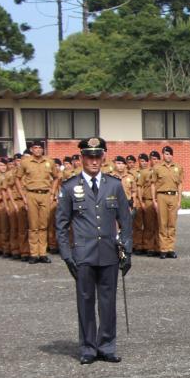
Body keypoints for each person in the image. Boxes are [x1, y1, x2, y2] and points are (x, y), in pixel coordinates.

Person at [56, 137, 133, 365]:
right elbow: (61, 225)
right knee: (86, 301)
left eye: (97, 156)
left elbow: (125, 221)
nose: (93, 161)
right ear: (82, 158)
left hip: (109, 252)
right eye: (89, 157)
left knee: (108, 302)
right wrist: (66, 255)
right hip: (83, 255)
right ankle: (88, 348)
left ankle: (107, 346)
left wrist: (126, 250)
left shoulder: (114, 185)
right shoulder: (70, 187)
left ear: (103, 157)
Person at [17, 140, 60, 263]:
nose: (37, 150)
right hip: (31, 194)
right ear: (31, 149)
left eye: (40, 147)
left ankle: (42, 253)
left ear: (43, 149)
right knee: (33, 226)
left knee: (43, 225)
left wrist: (52, 193)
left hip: (45, 194)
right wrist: (23, 196)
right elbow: (17, 178)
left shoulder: (49, 162)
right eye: (35, 147)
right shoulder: (25, 162)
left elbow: (56, 177)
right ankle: (34, 254)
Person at [154, 145, 182, 258]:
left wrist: (179, 200)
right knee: (162, 223)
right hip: (161, 196)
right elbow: (153, 184)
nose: (168, 156)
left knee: (172, 224)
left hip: (173, 196)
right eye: (166, 154)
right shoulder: (157, 168)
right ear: (162, 155)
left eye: (170, 154)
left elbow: (180, 185)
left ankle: (170, 248)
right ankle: (163, 249)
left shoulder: (178, 167)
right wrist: (154, 200)